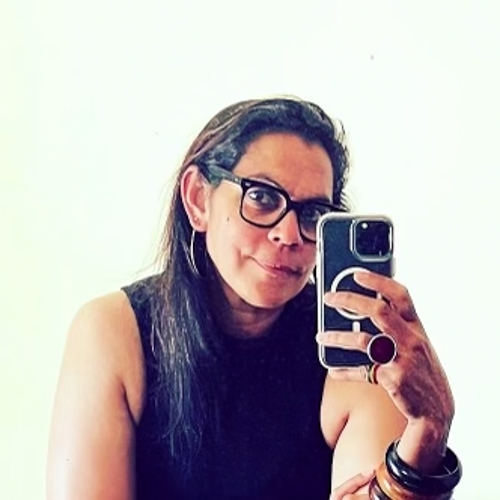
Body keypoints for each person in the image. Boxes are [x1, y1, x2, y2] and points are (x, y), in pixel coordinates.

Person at [46, 97, 461, 499]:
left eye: (313, 214)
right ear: (198, 199)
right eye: (262, 197)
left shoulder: (349, 348)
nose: (289, 234)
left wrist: (429, 429)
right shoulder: (116, 332)